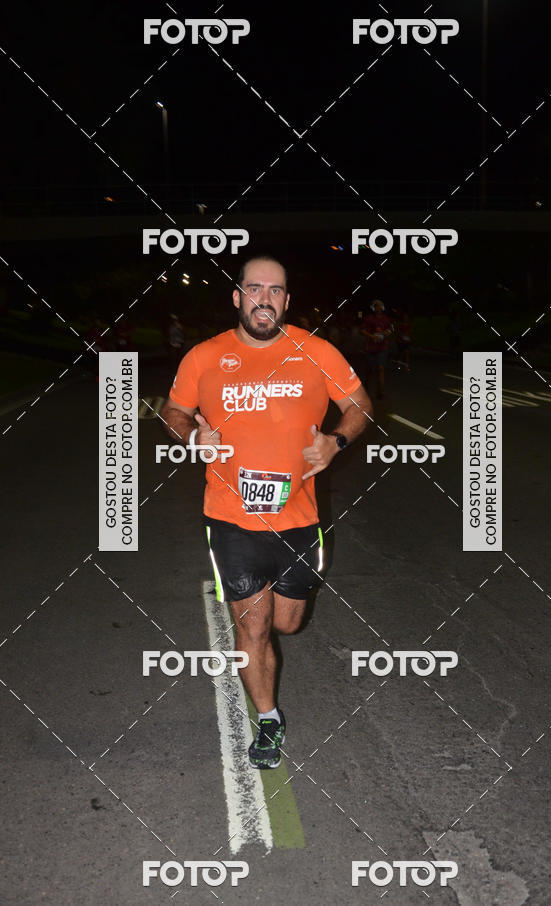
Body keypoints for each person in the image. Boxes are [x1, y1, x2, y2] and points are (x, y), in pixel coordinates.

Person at [161, 255, 373, 769]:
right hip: (231, 520)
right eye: (253, 288)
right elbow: (173, 410)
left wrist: (336, 442)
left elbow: (360, 404)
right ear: (236, 297)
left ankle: (268, 634)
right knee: (252, 629)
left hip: (298, 520)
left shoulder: (316, 351)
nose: (264, 298)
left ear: (286, 300)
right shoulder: (204, 357)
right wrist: (192, 435)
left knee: (289, 622)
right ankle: (269, 720)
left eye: (275, 290)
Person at [361, 299, 393, 399]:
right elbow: (362, 330)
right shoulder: (369, 318)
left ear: (382, 308)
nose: (378, 308)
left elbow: (390, 329)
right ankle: (365, 387)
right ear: (373, 308)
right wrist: (371, 336)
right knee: (370, 369)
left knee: (381, 368)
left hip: (382, 347)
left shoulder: (386, 319)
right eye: (376, 306)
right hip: (371, 348)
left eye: (380, 306)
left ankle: (381, 392)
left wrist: (386, 333)